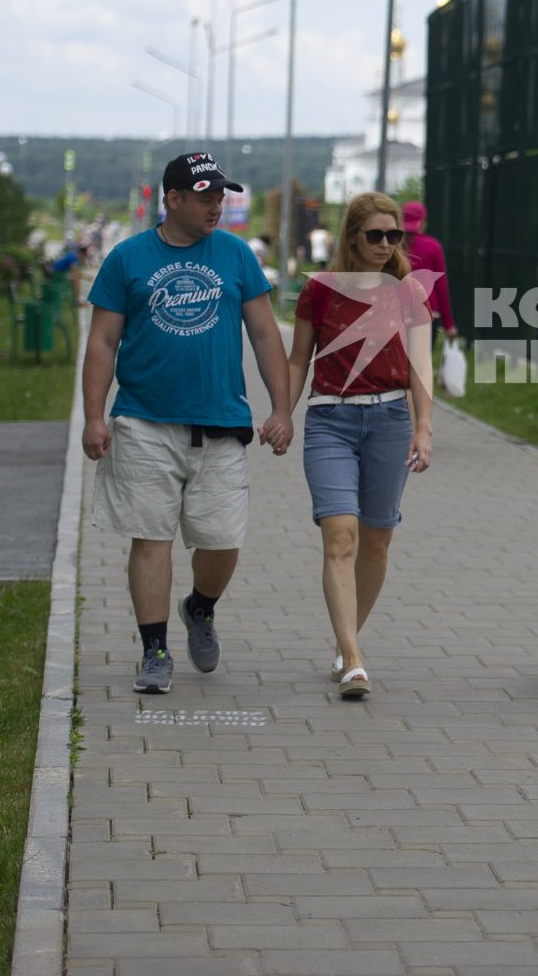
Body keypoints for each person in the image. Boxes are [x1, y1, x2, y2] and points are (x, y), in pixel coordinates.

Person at [83, 152, 295, 695]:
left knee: (222, 541)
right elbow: (103, 341)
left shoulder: (236, 255)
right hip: (144, 423)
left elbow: (267, 335)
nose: (216, 207)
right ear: (171, 199)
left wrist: (282, 409)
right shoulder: (127, 259)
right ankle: (154, 651)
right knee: (151, 537)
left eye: (221, 197)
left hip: (221, 424)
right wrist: (92, 416)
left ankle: (200, 608)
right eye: (205, 197)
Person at [287, 192, 435, 699]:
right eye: (375, 235)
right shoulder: (320, 290)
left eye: (394, 236)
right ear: (351, 236)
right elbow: (296, 360)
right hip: (330, 418)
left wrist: (424, 427)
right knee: (341, 535)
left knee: (376, 540)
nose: (386, 244)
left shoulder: (409, 292)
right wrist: (281, 413)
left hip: (391, 420)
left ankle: (344, 639)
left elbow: (421, 363)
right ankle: (352, 658)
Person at [399, 200, 456, 337]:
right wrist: (448, 325)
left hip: (399, 313)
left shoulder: (393, 245)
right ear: (423, 222)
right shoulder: (432, 246)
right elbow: (441, 288)